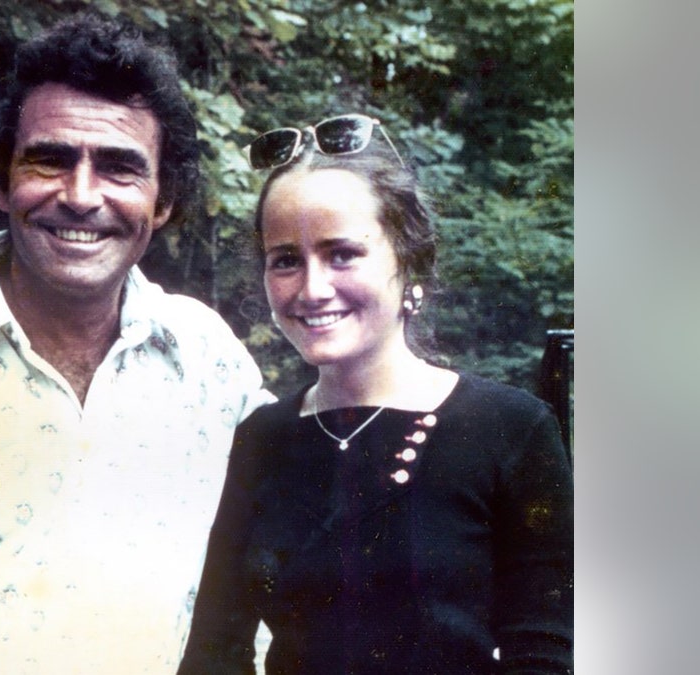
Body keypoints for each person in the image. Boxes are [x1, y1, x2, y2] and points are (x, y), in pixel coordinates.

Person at [0, 14, 272, 673]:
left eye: (119, 168)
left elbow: (315, 507)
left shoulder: (209, 358)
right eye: (50, 160)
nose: (81, 196)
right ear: (0, 181)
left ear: (162, 200)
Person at [178, 114, 573, 674]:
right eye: (286, 259)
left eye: (343, 253)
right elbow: (215, 651)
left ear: (408, 260)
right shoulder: (264, 437)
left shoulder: (511, 429)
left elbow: (547, 652)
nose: (313, 289)